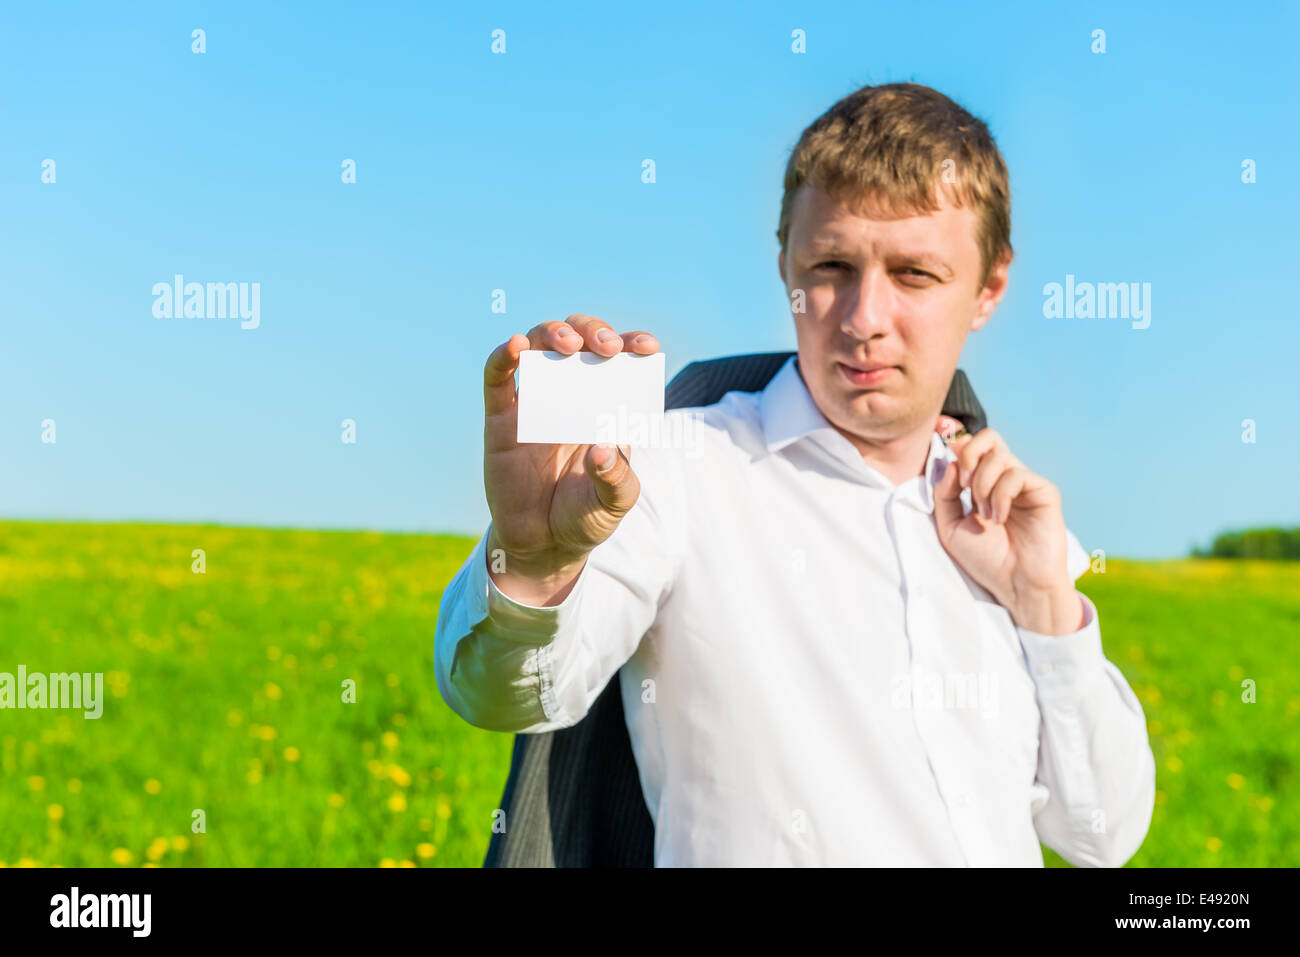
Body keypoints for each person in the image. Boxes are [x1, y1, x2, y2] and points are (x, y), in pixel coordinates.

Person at [435, 81, 1156, 866]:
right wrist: (535, 565)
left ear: (989, 289)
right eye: (832, 264)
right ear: (785, 262)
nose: (863, 317)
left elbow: (1101, 836)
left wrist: (1045, 603)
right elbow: (508, 692)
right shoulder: (676, 467)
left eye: (915, 274)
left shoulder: (1002, 522)